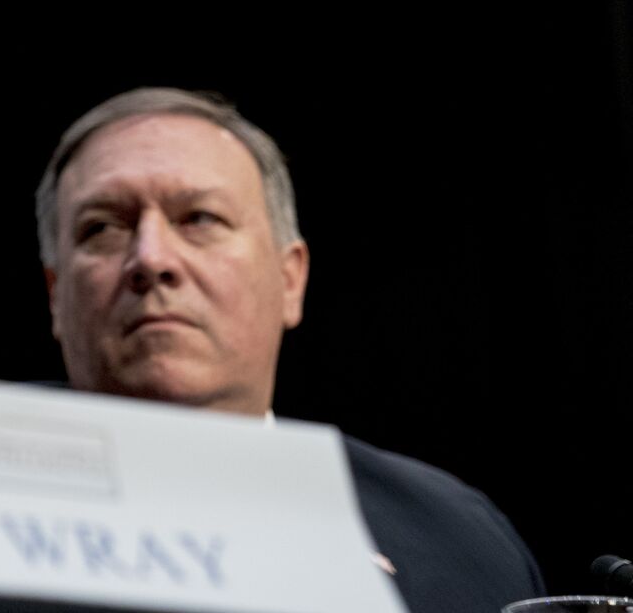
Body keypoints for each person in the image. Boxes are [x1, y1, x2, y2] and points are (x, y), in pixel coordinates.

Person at [35, 86, 541, 613]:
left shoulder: (456, 538)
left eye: (200, 219)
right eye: (103, 228)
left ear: (290, 279)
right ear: (55, 296)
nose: (152, 258)